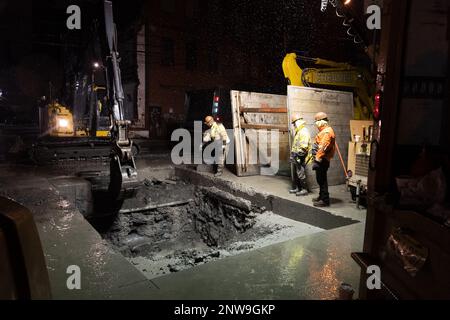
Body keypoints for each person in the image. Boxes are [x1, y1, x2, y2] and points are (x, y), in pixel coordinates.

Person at [312, 112, 336, 207]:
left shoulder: (327, 132)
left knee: (322, 180)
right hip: (322, 159)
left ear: (322, 122)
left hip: (322, 160)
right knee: (320, 179)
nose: (316, 124)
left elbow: (323, 147)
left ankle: (325, 200)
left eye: (317, 121)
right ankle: (321, 196)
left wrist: (317, 159)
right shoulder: (325, 131)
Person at [289, 114, 312, 196]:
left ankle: (304, 189)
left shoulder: (303, 131)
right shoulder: (299, 131)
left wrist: (298, 155)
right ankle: (298, 188)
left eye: (294, 123)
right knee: (297, 173)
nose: (294, 125)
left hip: (301, 157)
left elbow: (304, 146)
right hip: (297, 156)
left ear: (298, 122)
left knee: (301, 173)